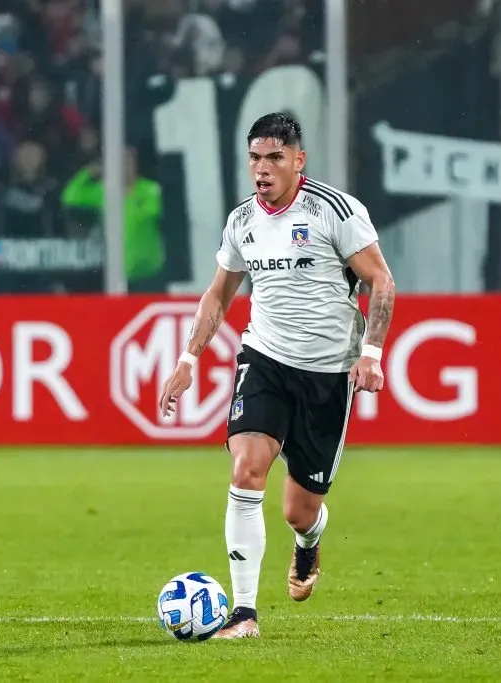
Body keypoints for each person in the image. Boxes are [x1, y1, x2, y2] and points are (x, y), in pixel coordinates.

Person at [158, 112, 396, 639]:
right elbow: (219, 294)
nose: (262, 170)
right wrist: (187, 360)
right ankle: (244, 614)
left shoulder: (334, 210)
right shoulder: (242, 221)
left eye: (274, 159)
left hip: (327, 372)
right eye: (254, 159)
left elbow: (381, 280)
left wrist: (372, 354)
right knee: (245, 471)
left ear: (298, 160)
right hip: (264, 359)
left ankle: (309, 543)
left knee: (298, 509)